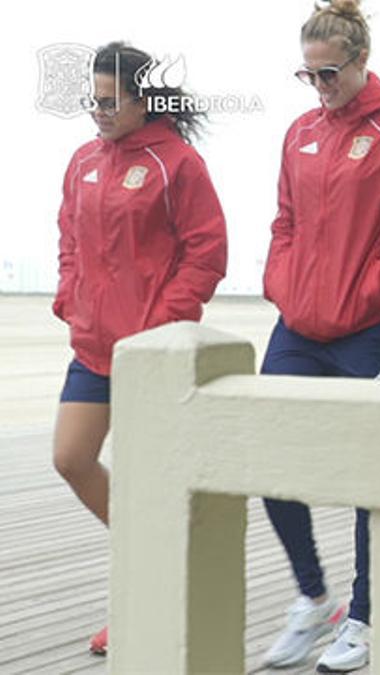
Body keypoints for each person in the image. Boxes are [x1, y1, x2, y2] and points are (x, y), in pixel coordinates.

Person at [259, 2, 380, 670]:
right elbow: (284, 221)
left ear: (362, 61)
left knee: (371, 467)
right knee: (263, 449)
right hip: (297, 325)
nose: (319, 86)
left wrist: (371, 294)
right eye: (307, 74)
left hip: (368, 329)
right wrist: (283, 283)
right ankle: (315, 599)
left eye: (329, 72)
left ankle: (365, 617)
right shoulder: (300, 132)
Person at [51, 42, 227, 656]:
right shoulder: (82, 162)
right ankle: (156, 558)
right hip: (94, 349)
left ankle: (140, 599)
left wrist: (162, 324)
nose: (97, 111)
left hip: (152, 353)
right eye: (90, 100)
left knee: (146, 478)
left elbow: (207, 252)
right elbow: (69, 237)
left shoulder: (178, 163)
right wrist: (68, 297)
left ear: (142, 99)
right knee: (71, 458)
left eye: (108, 101)